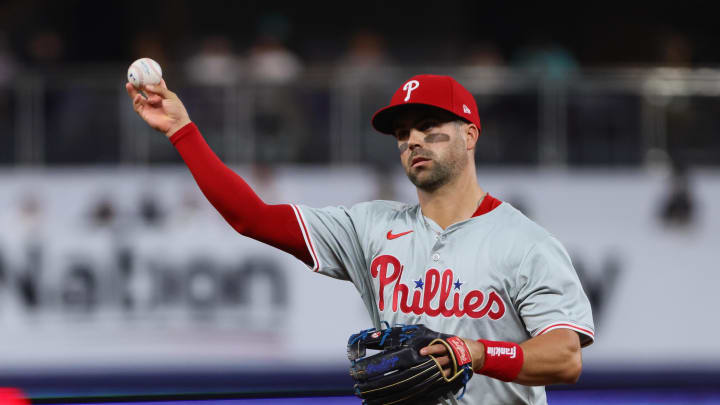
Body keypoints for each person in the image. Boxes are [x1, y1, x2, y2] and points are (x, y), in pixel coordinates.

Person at [125, 74, 594, 405]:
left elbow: (564, 357)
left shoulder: (525, 242)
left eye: (430, 128)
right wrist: (180, 130)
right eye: (403, 132)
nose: (413, 141)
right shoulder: (370, 227)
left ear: (470, 134)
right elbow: (253, 218)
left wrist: (474, 352)